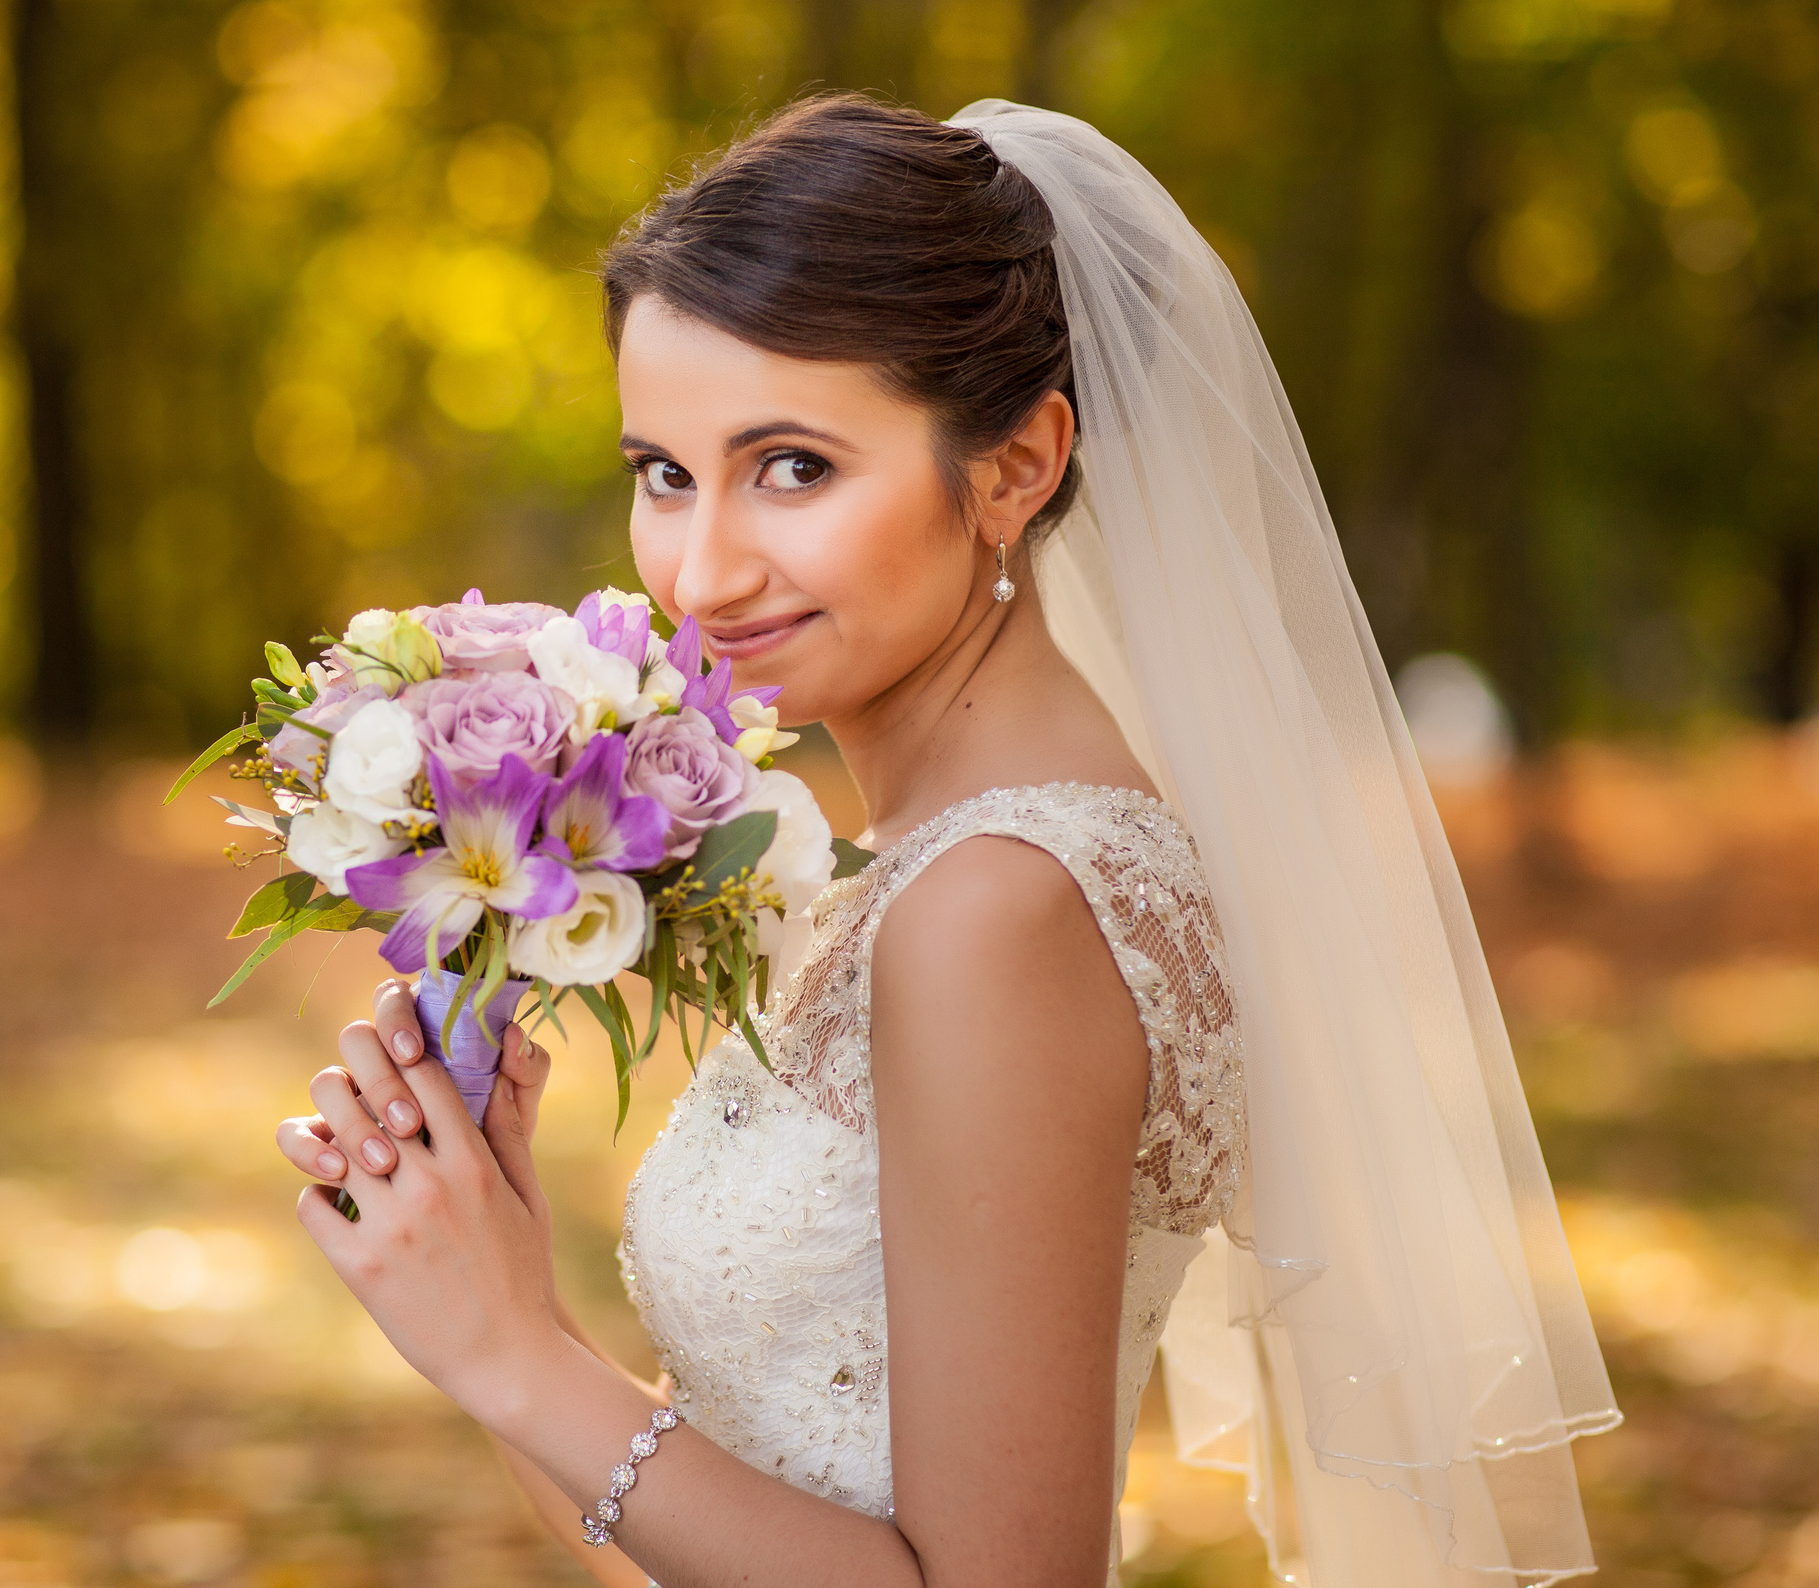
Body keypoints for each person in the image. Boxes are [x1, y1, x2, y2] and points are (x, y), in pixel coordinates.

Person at [272, 95, 1620, 1588]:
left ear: (1015, 466)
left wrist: (515, 1358)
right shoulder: (928, 865)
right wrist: (500, 1296)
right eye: (664, 472)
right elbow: (706, 1524)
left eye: (793, 466)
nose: (700, 574)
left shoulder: (1000, 910)